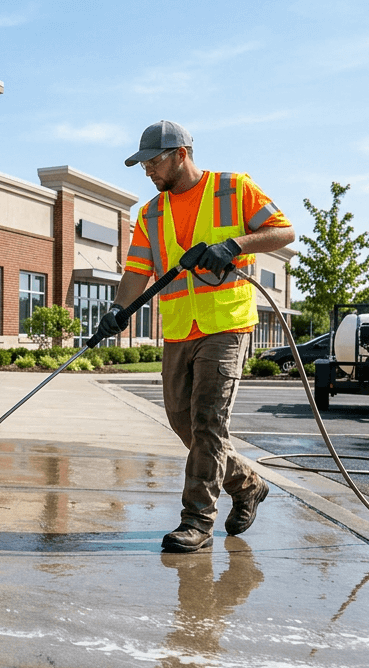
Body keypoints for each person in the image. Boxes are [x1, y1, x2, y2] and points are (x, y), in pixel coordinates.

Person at [100, 120, 295, 553]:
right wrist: (118, 310)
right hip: (178, 327)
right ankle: (247, 484)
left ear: (180, 155)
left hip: (225, 324)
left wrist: (233, 246)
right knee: (183, 423)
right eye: (144, 165)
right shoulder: (151, 213)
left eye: (153, 162)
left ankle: (197, 522)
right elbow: (137, 271)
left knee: (209, 422)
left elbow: (284, 231)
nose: (148, 171)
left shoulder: (233, 188)